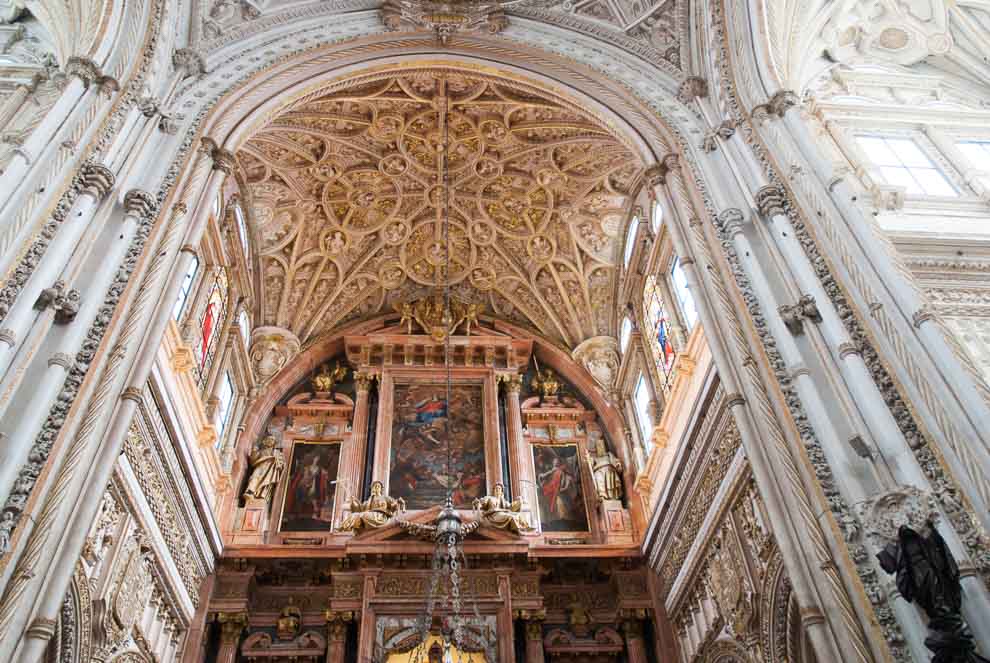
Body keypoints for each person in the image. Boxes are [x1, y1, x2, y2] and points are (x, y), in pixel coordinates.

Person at [338, 481, 404, 532]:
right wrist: (353, 501)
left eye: (378, 486)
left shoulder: (385, 498)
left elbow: (394, 506)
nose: (376, 488)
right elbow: (360, 508)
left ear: (381, 489)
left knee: (362, 515)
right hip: (371, 515)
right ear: (372, 489)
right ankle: (343, 528)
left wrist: (397, 502)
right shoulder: (369, 500)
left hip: (380, 517)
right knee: (355, 515)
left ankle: (346, 527)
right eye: (375, 486)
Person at [242, 436, 285, 503]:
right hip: (260, 466)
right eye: (269, 439)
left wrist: (276, 461)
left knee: (266, 482)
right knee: (253, 477)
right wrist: (254, 452)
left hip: (270, 469)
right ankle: (250, 491)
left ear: (274, 443)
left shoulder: (277, 452)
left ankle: (260, 494)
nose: (270, 441)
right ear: (265, 442)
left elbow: (281, 464)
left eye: (272, 440)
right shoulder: (261, 451)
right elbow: (252, 460)